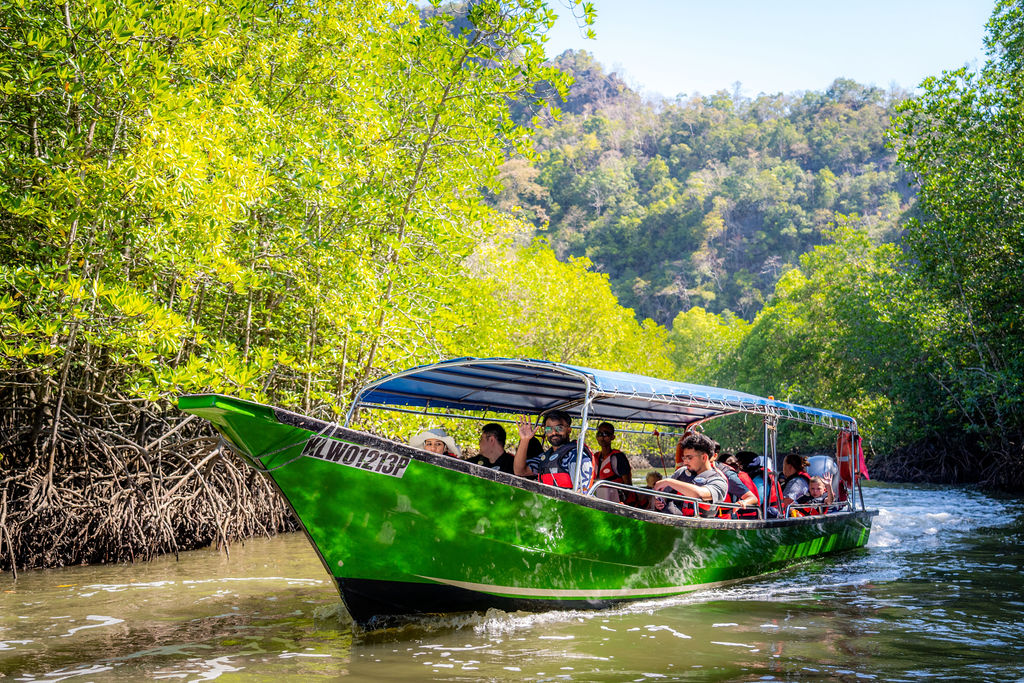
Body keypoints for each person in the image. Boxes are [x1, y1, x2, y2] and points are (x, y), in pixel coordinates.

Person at [514, 410, 594, 491]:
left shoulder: (576, 456)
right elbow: (520, 471)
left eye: (559, 428)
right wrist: (525, 440)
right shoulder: (545, 458)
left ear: (569, 430)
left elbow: (582, 492)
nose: (554, 433)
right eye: (549, 429)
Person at [653, 432, 727, 517]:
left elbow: (699, 494)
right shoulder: (682, 472)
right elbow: (663, 493)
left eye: (689, 458)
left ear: (704, 457)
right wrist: (659, 501)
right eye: (684, 458)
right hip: (673, 520)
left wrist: (668, 482)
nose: (685, 462)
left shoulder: (719, 481)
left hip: (699, 524)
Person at [591, 422, 637, 505]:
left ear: (612, 437)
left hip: (617, 502)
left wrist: (621, 502)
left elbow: (628, 485)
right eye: (599, 434)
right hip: (599, 500)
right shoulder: (595, 457)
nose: (602, 437)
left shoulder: (618, 457)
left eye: (606, 434)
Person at [712, 447, 759, 517]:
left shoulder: (732, 477)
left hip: (742, 515)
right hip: (747, 513)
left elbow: (753, 498)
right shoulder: (742, 475)